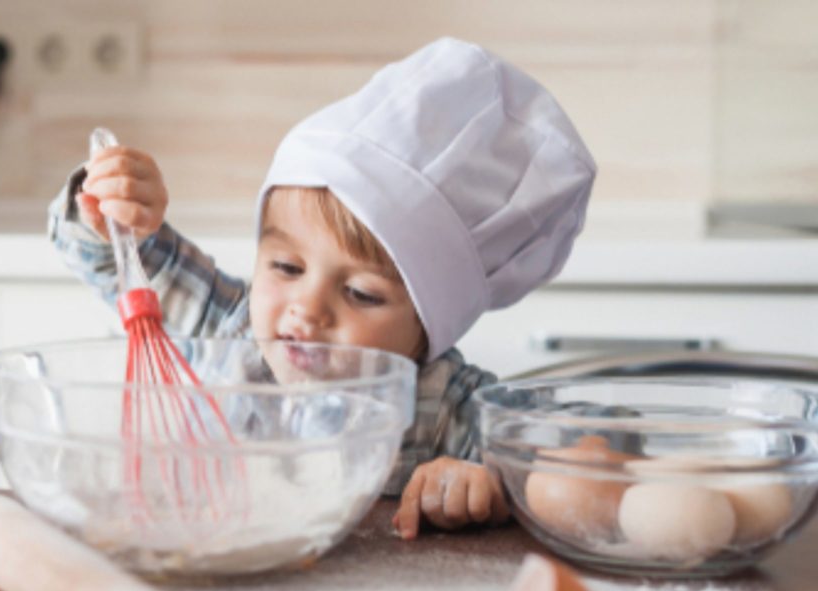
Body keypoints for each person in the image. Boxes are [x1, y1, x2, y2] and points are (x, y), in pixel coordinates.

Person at [47, 37, 596, 540]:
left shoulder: (445, 404)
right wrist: (109, 207)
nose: (307, 309)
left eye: (360, 293)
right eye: (286, 267)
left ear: (431, 327)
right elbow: (101, 254)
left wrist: (486, 483)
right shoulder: (226, 327)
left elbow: (579, 454)